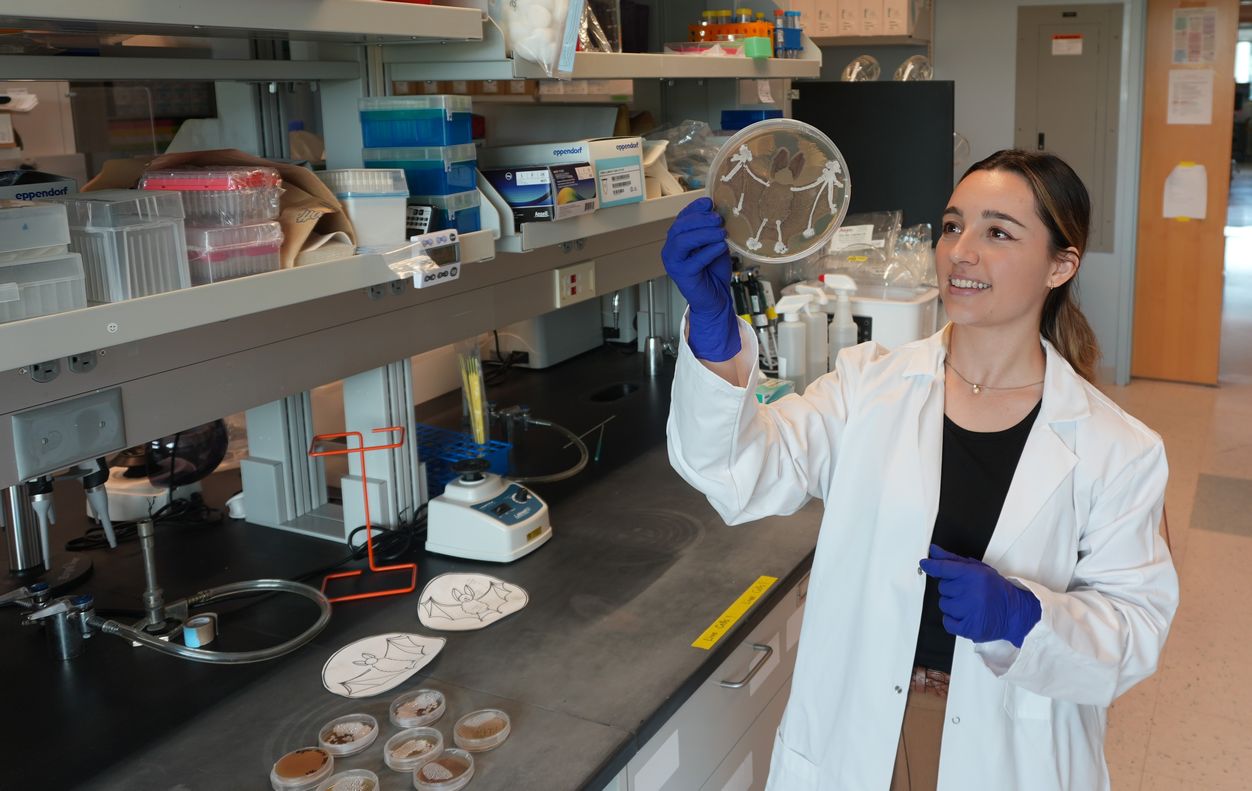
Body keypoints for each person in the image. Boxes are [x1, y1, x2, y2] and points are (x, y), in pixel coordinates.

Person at [663, 149, 1178, 790]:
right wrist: (715, 331)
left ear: (1061, 264)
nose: (961, 251)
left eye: (998, 233)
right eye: (953, 225)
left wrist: (1025, 617)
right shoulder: (868, 387)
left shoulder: (1118, 447)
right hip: (856, 730)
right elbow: (737, 473)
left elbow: (1134, 633)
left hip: (1008, 747)